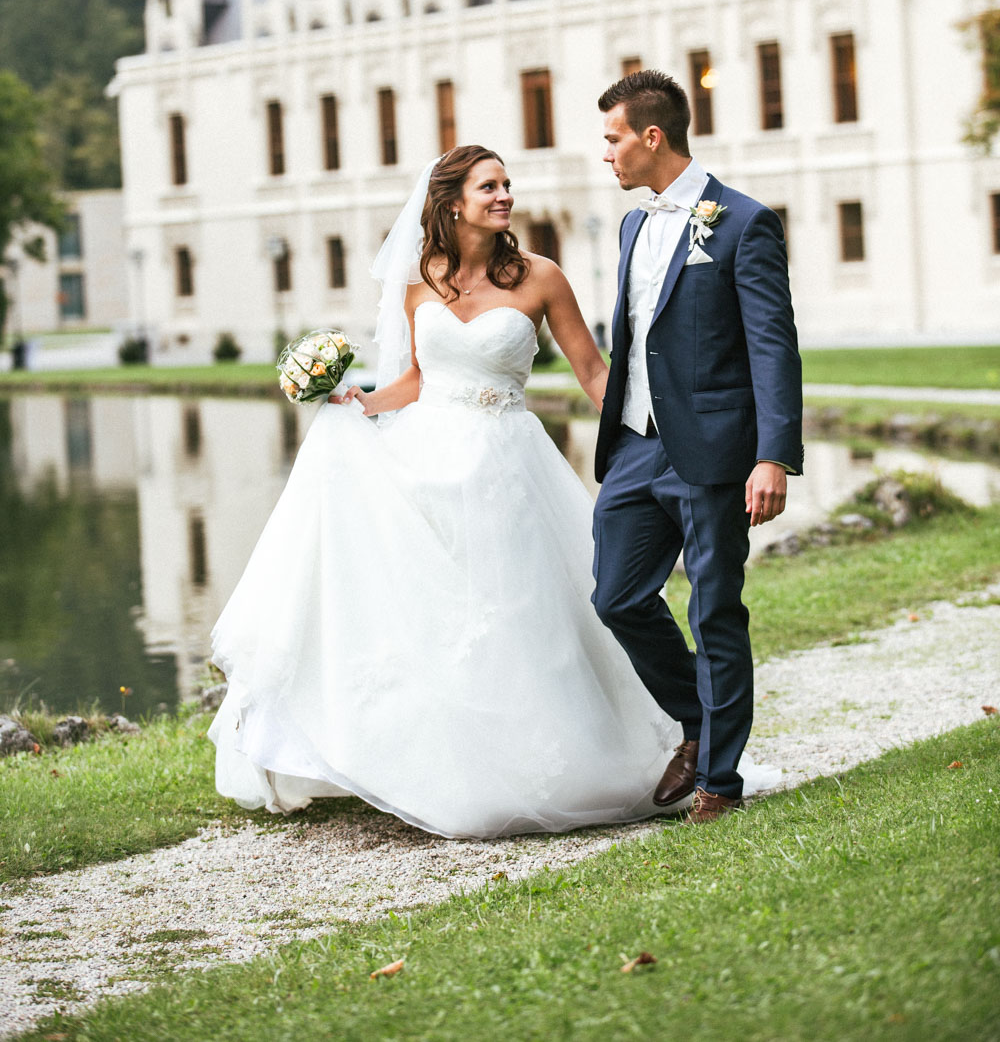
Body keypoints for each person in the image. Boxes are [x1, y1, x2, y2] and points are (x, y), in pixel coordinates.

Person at [209, 144, 775, 838]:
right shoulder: (419, 283)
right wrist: (364, 402)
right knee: (435, 615)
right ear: (452, 204)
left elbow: (595, 372)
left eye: (507, 184)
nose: (504, 195)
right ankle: (436, 761)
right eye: (489, 186)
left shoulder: (540, 277)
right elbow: (418, 379)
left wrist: (656, 439)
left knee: (529, 608)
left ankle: (611, 749)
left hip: (507, 462)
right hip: (427, 458)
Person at [593, 70, 803, 824]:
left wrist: (773, 455)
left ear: (652, 137)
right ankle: (698, 720)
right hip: (635, 449)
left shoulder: (743, 223)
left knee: (715, 609)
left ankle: (718, 779)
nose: (606, 153)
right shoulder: (631, 226)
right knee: (616, 597)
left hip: (715, 450)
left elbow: (772, 346)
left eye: (613, 138)